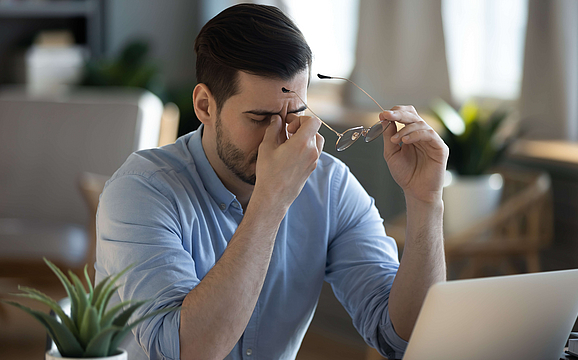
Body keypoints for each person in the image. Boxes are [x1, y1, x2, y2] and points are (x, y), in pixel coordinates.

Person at [95, 3, 448, 360]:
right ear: (205, 106)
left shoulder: (330, 187)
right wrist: (271, 199)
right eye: (259, 118)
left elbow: (402, 338)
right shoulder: (140, 190)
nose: (278, 137)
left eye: (294, 114)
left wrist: (426, 202)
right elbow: (187, 352)